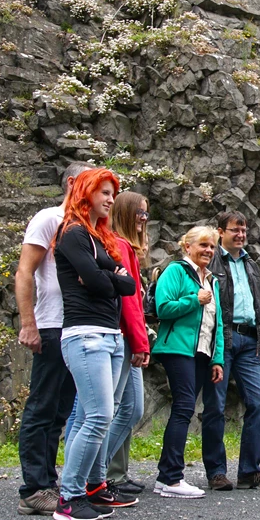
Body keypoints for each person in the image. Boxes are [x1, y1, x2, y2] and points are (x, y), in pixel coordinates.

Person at [52, 168, 139, 520]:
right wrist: (109, 278)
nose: (110, 199)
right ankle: (69, 498)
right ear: (86, 193)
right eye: (104, 192)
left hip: (109, 336)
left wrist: (108, 277)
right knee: (100, 414)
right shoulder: (72, 234)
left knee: (94, 415)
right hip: (86, 335)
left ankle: (86, 489)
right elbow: (103, 284)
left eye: (112, 193)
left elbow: (128, 284)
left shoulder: (96, 238)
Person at [15, 162, 93, 516]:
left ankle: (47, 479)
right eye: (93, 183)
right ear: (74, 183)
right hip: (51, 325)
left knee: (62, 409)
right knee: (43, 405)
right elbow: (25, 271)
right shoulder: (49, 218)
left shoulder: (86, 226)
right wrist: (28, 323)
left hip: (78, 326)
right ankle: (34, 487)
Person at [205, 211, 260, 490]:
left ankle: (249, 470)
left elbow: (256, 303)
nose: (240, 234)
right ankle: (216, 471)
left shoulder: (250, 264)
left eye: (244, 230)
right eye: (235, 230)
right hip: (222, 339)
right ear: (220, 231)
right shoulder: (212, 259)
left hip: (249, 341)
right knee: (215, 406)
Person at [151, 225, 225, 499]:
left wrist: (217, 359)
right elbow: (163, 308)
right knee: (183, 409)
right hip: (177, 349)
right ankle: (170, 478)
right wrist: (194, 299)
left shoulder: (212, 281)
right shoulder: (176, 271)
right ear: (187, 247)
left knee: (185, 409)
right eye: (203, 245)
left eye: (212, 246)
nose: (208, 250)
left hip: (201, 353)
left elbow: (216, 323)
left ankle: (166, 475)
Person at [104, 191, 153, 498]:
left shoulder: (128, 248)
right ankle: (93, 474)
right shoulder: (119, 246)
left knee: (130, 408)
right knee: (121, 409)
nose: (143, 220)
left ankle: (106, 474)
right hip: (124, 337)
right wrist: (140, 341)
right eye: (139, 214)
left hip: (129, 336)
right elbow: (129, 300)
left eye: (146, 215)